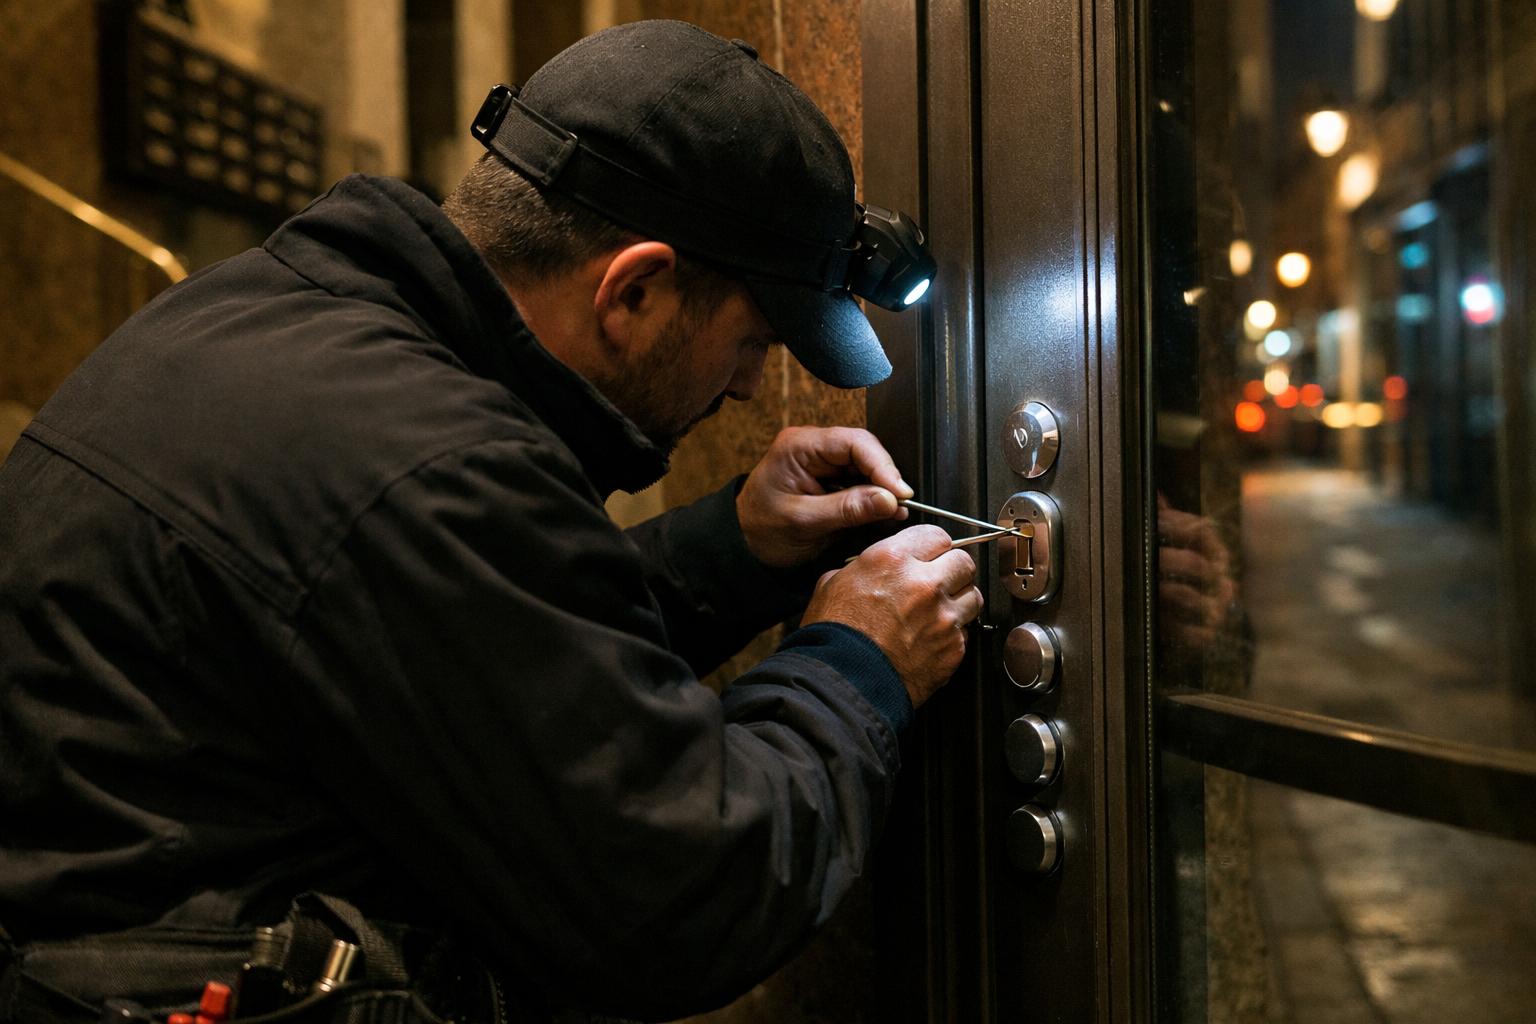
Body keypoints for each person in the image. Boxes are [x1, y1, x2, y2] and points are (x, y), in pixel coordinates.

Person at [0, 20, 981, 1024]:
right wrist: (858, 660)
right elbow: (682, 891)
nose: (745, 389)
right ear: (633, 291)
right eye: (752, 343)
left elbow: (464, 658)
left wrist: (733, 547)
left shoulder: (274, 323)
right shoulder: (428, 461)